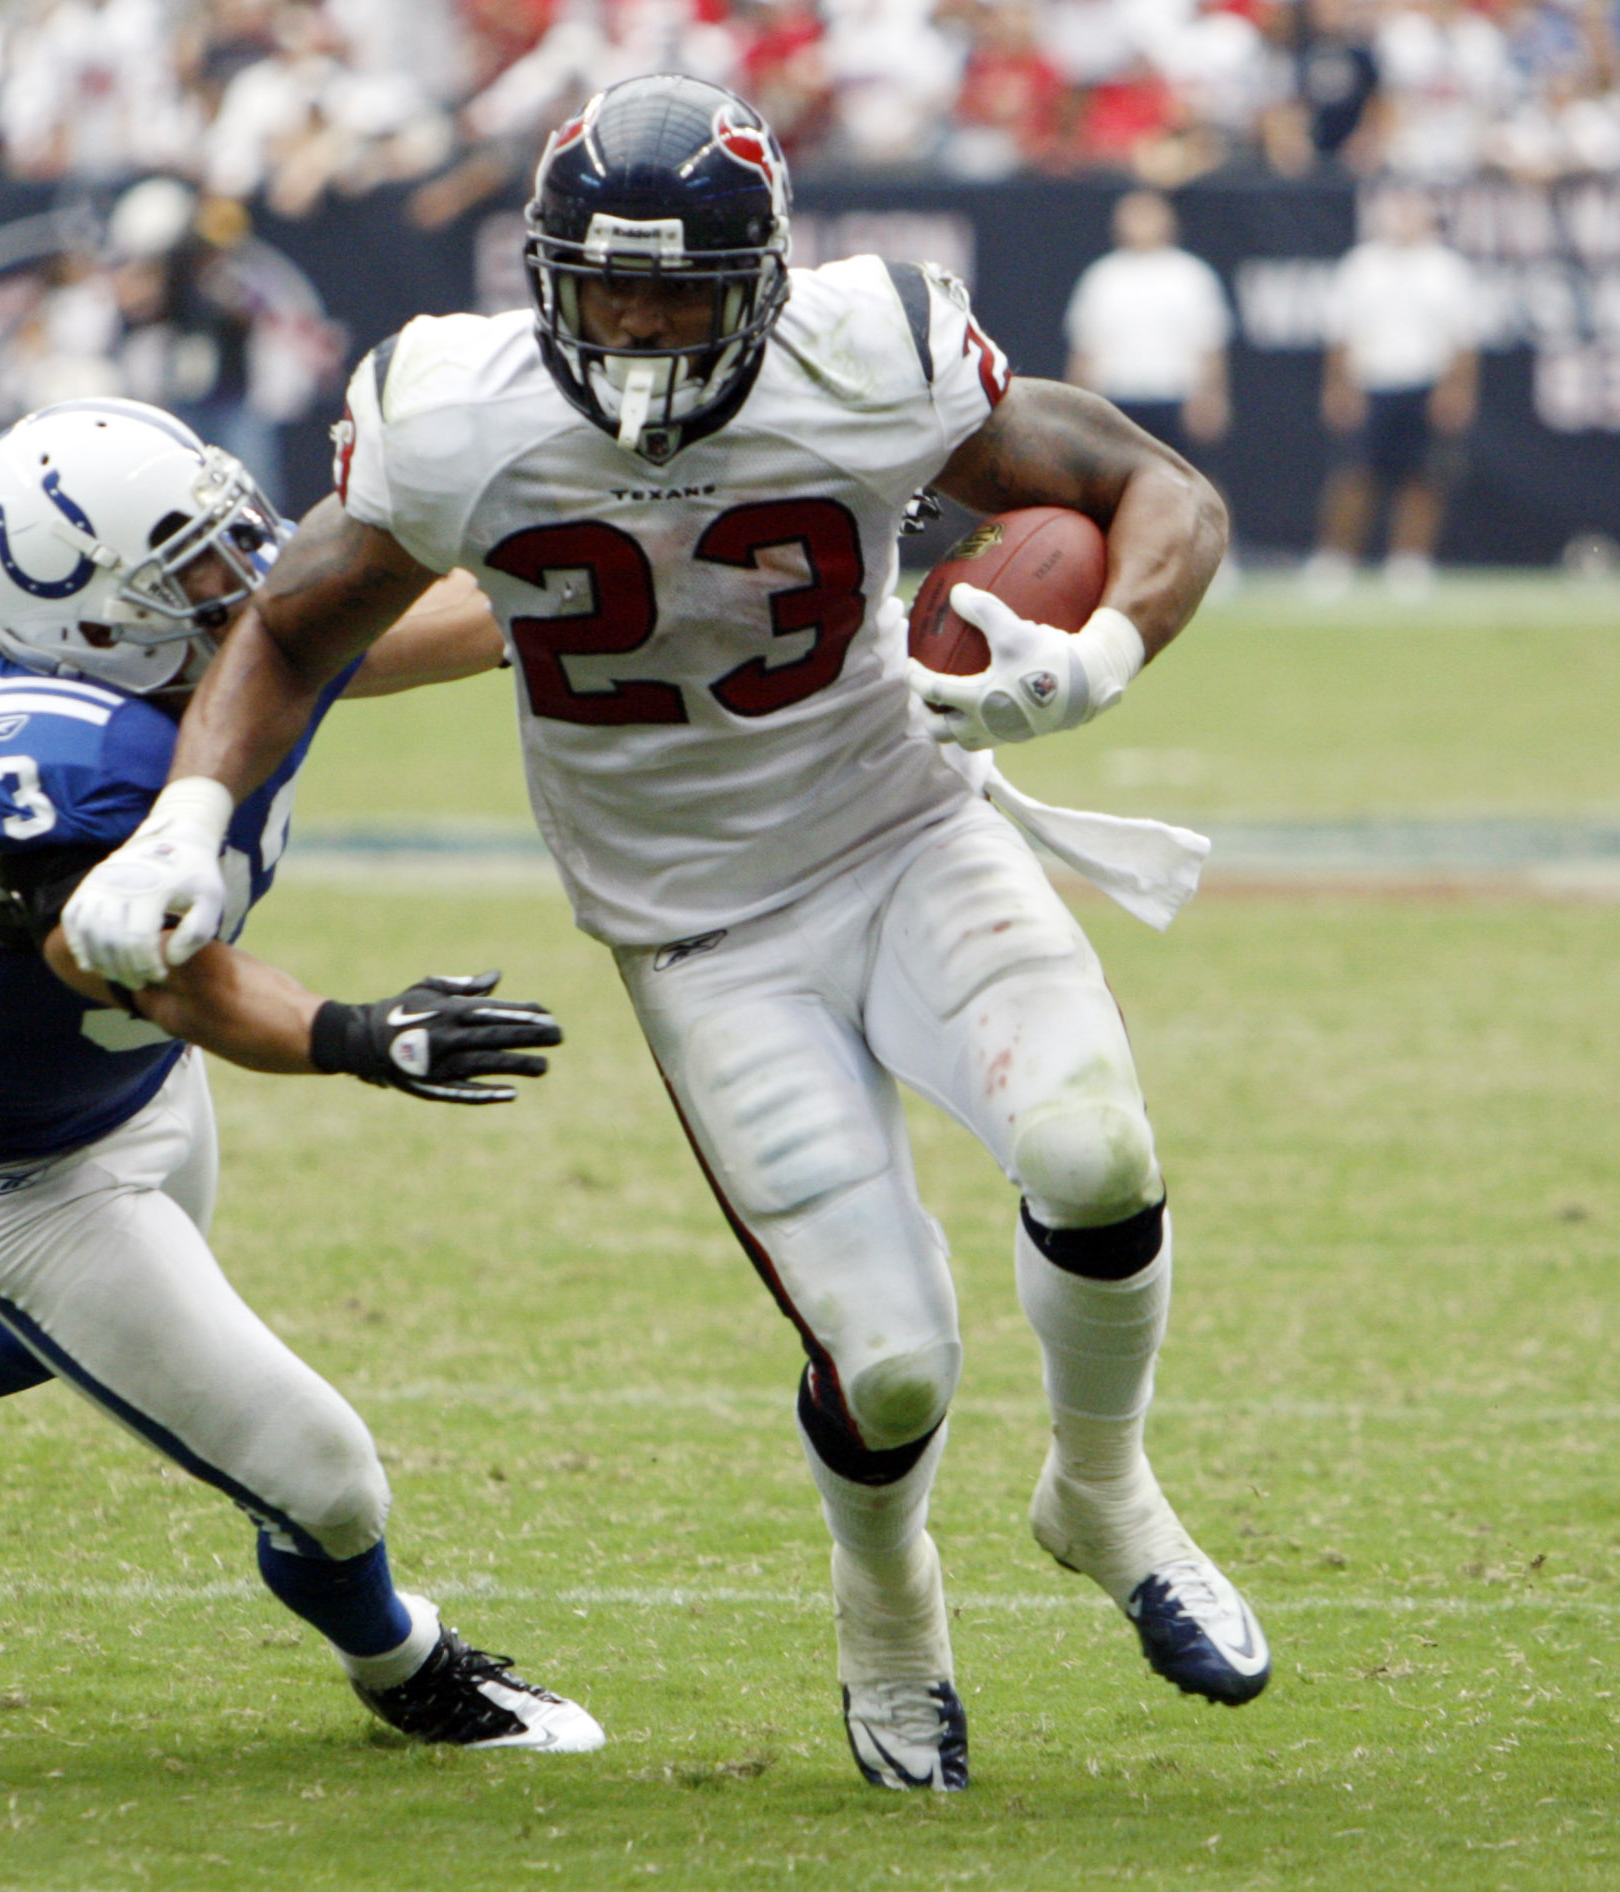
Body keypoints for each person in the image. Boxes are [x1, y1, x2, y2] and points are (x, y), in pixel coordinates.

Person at [62, 78, 1270, 1792]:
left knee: (1092, 1148)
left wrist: (1095, 663)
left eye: (681, 286)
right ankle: (889, 1602)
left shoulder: (877, 349)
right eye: (607, 283)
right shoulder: (454, 408)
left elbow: (1156, 492)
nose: (638, 322)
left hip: (905, 826)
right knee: (895, 1363)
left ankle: (1103, 1488)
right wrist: (186, 818)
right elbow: (296, 620)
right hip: (698, 927)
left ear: (768, 281)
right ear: (543, 273)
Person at [0, 399, 603, 1758]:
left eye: (223, 528)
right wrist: (358, 1034)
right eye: (193, 559)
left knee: (109, 1325)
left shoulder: (202, 650)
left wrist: (633, 584)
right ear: (95, 620)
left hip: (130, 1087)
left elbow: (397, 630)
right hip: (7, 1166)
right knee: (326, 1478)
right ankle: (404, 1664)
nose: (245, 569)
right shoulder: (43, 762)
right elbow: (169, 981)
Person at [1305, 185, 1478, 599]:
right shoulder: (1361, 266)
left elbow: (1463, 340)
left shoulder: (1446, 269)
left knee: (1422, 478)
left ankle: (1409, 561)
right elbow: (1341, 334)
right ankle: (1336, 559)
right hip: (1371, 383)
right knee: (1354, 475)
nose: (1403, 221)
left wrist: (1456, 390)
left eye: (1411, 212)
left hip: (1425, 384)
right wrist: (1339, 387)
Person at [1064, 190, 1231, 463]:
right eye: (1133, 216)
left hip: (1175, 398)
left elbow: (1209, 345)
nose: (1141, 224)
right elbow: (1085, 349)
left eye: (1148, 215)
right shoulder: (1102, 277)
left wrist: (1211, 397)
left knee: (1192, 482)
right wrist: (1077, 408)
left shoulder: (1191, 275)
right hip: (1116, 399)